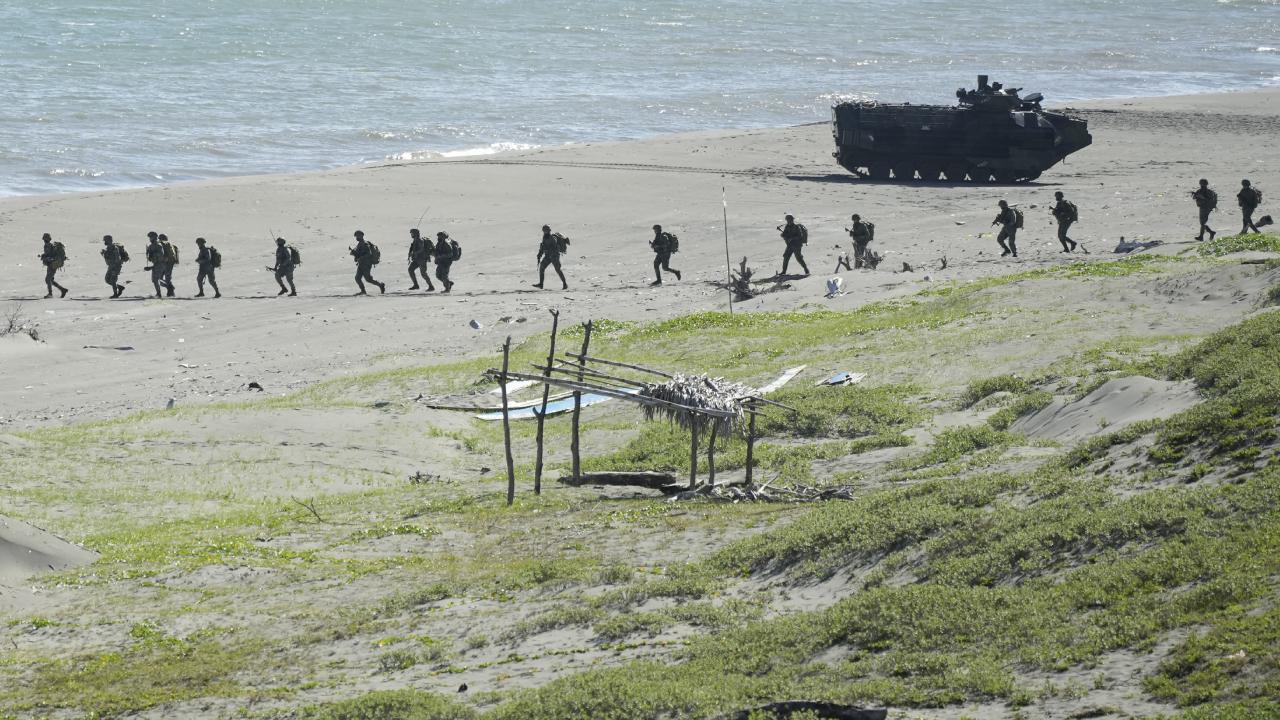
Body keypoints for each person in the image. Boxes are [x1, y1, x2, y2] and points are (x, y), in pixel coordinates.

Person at [350, 230, 385, 295]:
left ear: (362, 235)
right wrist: (355, 255)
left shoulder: (365, 243)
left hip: (366, 264)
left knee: (368, 279)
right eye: (356, 236)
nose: (356, 237)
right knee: (357, 278)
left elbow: (369, 254)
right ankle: (363, 291)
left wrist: (360, 257)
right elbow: (359, 253)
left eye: (358, 235)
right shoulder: (360, 244)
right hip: (361, 264)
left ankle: (380, 285)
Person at [534, 224, 568, 290]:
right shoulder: (544, 237)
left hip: (554, 256)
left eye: (546, 230)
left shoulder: (552, 238)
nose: (545, 232)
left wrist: (547, 249)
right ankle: (541, 284)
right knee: (542, 267)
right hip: (548, 256)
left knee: (558, 269)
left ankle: (565, 284)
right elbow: (543, 247)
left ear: (549, 231)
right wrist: (539, 254)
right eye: (544, 231)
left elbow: (555, 247)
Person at [39, 233, 69, 298]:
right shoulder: (49, 245)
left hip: (53, 264)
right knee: (49, 280)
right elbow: (49, 254)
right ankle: (62, 289)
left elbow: (51, 256)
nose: (44, 240)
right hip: (52, 264)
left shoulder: (48, 246)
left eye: (45, 239)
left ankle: (50, 294)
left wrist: (45, 258)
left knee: (48, 279)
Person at [144, 232, 169, 297]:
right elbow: (150, 258)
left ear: (155, 237)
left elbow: (161, 256)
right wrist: (148, 255)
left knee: (156, 279)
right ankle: (168, 287)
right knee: (155, 280)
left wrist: (153, 255)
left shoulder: (159, 245)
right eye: (149, 237)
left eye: (151, 237)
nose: (150, 239)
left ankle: (159, 293)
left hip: (160, 264)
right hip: (156, 264)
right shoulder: (151, 246)